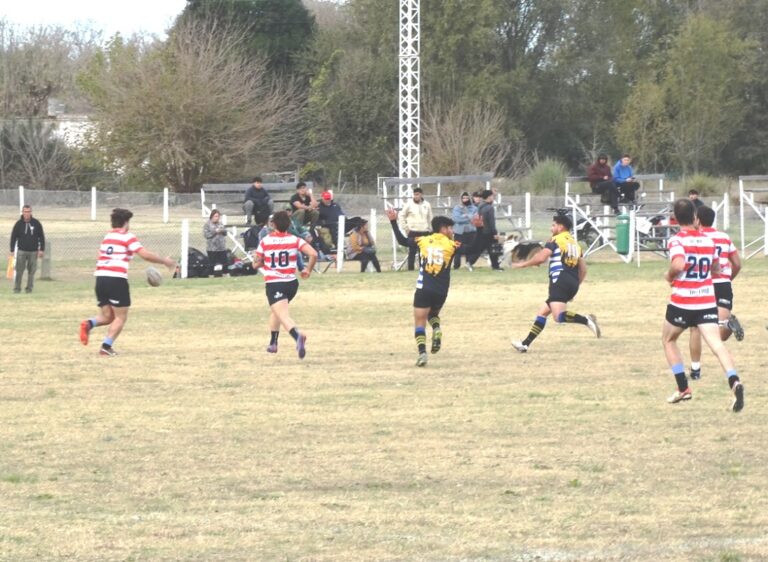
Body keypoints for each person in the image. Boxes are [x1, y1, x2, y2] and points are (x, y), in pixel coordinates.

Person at [661, 199, 743, 411]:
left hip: (683, 301)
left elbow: (678, 264)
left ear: (676, 218)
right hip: (706, 300)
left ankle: (683, 388)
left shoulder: (677, 240)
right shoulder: (708, 240)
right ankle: (734, 381)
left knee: (669, 340)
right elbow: (716, 268)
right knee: (717, 344)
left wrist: (669, 275)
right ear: (694, 217)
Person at [79, 208, 177, 356]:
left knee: (107, 316)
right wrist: (164, 261)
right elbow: (145, 255)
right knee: (121, 317)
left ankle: (88, 323)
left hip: (100, 278)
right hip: (116, 279)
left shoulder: (107, 237)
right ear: (126, 222)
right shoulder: (127, 237)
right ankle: (106, 347)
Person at [510, 213, 600, 352]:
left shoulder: (555, 240)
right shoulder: (574, 244)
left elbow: (541, 258)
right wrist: (574, 287)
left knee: (559, 317)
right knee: (542, 313)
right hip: (572, 282)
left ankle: (586, 320)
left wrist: (522, 264)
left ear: (561, 227)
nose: (551, 228)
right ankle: (525, 344)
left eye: (553, 225)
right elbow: (583, 269)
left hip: (559, 280)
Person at [387, 207, 459, 367]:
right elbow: (474, 247)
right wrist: (481, 230)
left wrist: (393, 222)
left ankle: (422, 353)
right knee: (432, 314)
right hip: (442, 291)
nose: (452, 231)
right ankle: (436, 328)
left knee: (420, 321)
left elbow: (402, 240)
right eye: (450, 228)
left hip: (424, 288)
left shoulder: (422, 240)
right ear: (443, 229)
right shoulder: (453, 245)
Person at [251, 210, 318, 359]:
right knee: (277, 312)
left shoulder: (266, 241)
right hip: (291, 284)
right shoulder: (294, 239)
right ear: (288, 225)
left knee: (283, 315)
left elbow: (256, 264)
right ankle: (273, 343)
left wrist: (261, 261)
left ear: (273, 224)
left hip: (275, 283)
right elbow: (313, 254)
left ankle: (297, 336)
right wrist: (308, 270)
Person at [688, 205, 743, 380]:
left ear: (698, 220)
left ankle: (695, 370)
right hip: (723, 285)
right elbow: (737, 264)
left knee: (696, 328)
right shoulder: (724, 237)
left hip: (704, 285)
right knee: (719, 334)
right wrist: (727, 279)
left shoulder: (697, 238)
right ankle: (728, 325)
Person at [9, 205, 45, 293]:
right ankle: (17, 289)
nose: (27, 213)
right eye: (25, 211)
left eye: (28, 212)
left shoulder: (36, 223)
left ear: (31, 212)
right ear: (22, 212)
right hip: (21, 251)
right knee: (19, 271)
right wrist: (12, 250)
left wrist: (41, 249)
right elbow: (13, 237)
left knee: (31, 271)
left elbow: (41, 236)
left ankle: (29, 289)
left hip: (33, 251)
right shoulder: (18, 224)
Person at [465, 189, 503, 271]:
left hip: (480, 230)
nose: (493, 197)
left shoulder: (480, 206)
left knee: (480, 248)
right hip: (488, 231)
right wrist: (495, 233)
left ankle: (470, 261)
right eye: (492, 196)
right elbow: (491, 222)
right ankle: (495, 266)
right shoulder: (490, 208)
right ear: (489, 197)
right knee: (493, 248)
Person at [397, 187, 433, 271]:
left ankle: (423, 269)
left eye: (417, 194)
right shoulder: (409, 204)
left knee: (423, 252)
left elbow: (430, 217)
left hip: (424, 231)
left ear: (421, 195)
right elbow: (401, 216)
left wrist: (430, 229)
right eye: (414, 194)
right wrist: (406, 228)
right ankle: (410, 269)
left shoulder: (427, 204)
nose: (416, 196)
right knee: (412, 252)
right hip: (413, 232)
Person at [451, 191, 478, 269]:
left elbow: (475, 218)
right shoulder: (457, 208)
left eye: (467, 198)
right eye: (463, 198)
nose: (465, 199)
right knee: (457, 249)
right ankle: (456, 266)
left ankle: (468, 264)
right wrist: (469, 217)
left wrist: (465, 216)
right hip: (459, 232)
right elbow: (457, 219)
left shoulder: (474, 208)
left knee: (470, 249)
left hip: (471, 231)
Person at [203, 209, 229, 277]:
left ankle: (225, 274)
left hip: (221, 247)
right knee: (212, 263)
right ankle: (211, 275)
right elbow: (206, 235)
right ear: (212, 216)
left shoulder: (220, 224)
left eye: (218, 216)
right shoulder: (207, 225)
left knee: (225, 262)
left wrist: (222, 230)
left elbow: (225, 232)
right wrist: (215, 231)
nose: (217, 218)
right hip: (212, 248)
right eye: (215, 216)